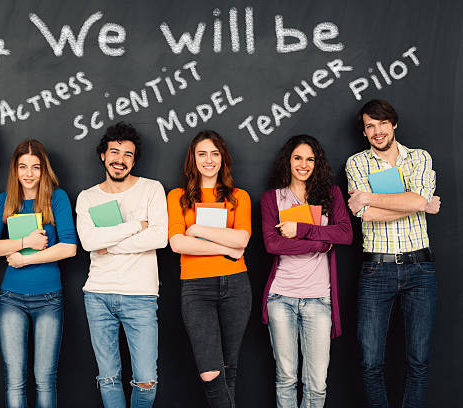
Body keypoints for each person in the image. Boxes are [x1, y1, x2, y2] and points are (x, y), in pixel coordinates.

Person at [345, 99, 440, 407]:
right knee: (370, 361)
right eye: (370, 126)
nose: (377, 131)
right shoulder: (355, 164)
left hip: (420, 268)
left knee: (419, 360)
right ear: (364, 131)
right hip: (377, 269)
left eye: (382, 123)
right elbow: (366, 216)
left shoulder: (419, 158)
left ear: (394, 124)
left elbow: (413, 201)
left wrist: (370, 197)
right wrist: (417, 204)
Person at [75, 122, 167, 408]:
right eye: (114, 152)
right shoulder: (87, 197)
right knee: (108, 378)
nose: (120, 159)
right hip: (98, 295)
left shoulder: (152, 189)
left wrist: (109, 246)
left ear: (134, 160)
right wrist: (134, 226)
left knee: (146, 380)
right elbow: (89, 242)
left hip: (140, 295)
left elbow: (159, 237)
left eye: (128, 154)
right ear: (103, 155)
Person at [0, 139, 77, 408]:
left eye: (35, 167)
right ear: (15, 169)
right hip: (11, 298)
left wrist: (27, 259)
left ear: (43, 169)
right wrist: (25, 243)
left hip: (49, 298)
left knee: (45, 378)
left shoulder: (56, 197)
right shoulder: (4, 200)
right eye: (23, 167)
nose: (29, 174)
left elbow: (69, 248)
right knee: (14, 379)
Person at [260, 135, 352, 407]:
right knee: (286, 378)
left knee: (317, 383)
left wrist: (301, 230)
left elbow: (345, 233)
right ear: (287, 161)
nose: (303, 164)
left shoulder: (331, 194)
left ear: (317, 162)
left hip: (319, 300)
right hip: (281, 298)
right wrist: (322, 242)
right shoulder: (272, 199)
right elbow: (273, 244)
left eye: (310, 159)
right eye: (297, 158)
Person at [167, 130, 252, 408]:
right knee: (210, 371)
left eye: (215, 154)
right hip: (196, 288)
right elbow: (178, 244)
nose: (209, 160)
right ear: (193, 158)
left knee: (230, 368)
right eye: (202, 153)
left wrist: (198, 229)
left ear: (223, 159)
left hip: (236, 286)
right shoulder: (178, 197)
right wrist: (227, 249)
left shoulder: (240, 197)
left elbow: (242, 239)